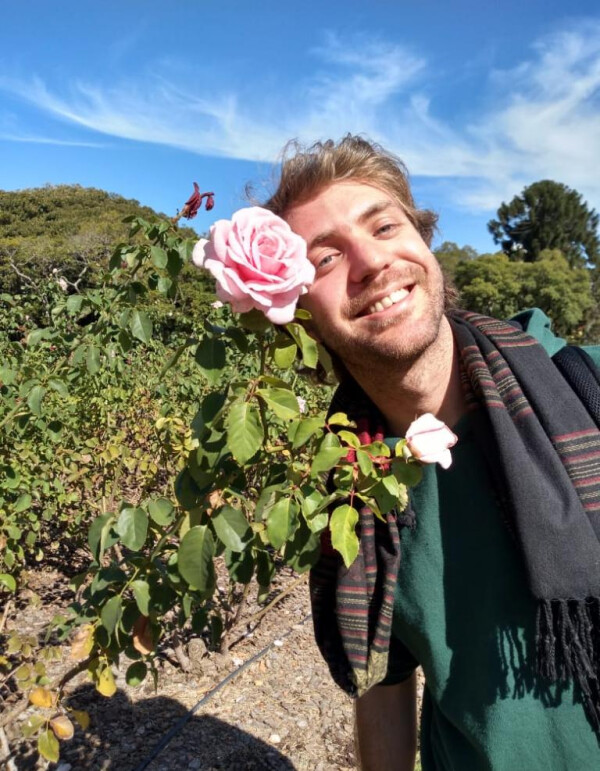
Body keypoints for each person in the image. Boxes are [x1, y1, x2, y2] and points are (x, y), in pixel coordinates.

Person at [262, 135, 600, 770]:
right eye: (326, 258)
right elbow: (383, 681)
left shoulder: (586, 390)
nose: (372, 262)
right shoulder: (346, 491)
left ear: (422, 239)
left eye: (385, 226)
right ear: (297, 315)